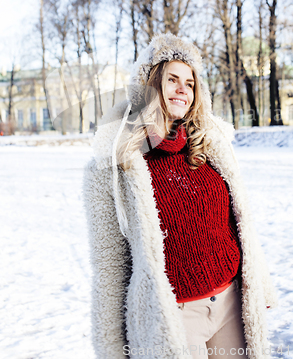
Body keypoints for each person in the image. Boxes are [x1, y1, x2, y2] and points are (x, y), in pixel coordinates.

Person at [83, 33, 277, 359]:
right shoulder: (113, 165)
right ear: (149, 85)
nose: (182, 88)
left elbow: (240, 223)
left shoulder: (210, 144)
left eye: (190, 82)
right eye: (172, 79)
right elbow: (109, 267)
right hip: (174, 317)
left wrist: (261, 283)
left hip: (230, 303)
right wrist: (112, 348)